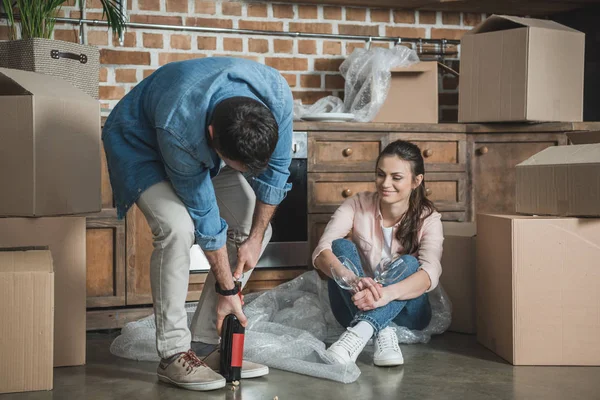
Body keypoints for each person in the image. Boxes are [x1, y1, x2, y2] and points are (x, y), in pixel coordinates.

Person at [102, 57, 293, 391]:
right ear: (212, 136)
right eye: (241, 167)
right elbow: (205, 217)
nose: (247, 175)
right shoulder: (182, 122)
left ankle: (204, 347)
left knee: (253, 227)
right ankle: (175, 354)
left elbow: (276, 175)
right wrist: (228, 289)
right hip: (141, 143)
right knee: (177, 228)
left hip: (196, 141)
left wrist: (255, 237)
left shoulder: (276, 96)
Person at [312, 140, 444, 367]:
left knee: (410, 263)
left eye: (396, 177)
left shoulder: (428, 217)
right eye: (381, 174)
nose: (385, 183)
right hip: (355, 301)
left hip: (408, 314)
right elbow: (321, 250)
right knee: (340, 247)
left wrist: (387, 295)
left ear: (416, 181)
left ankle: (358, 334)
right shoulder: (356, 204)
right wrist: (354, 280)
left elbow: (430, 273)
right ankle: (381, 329)